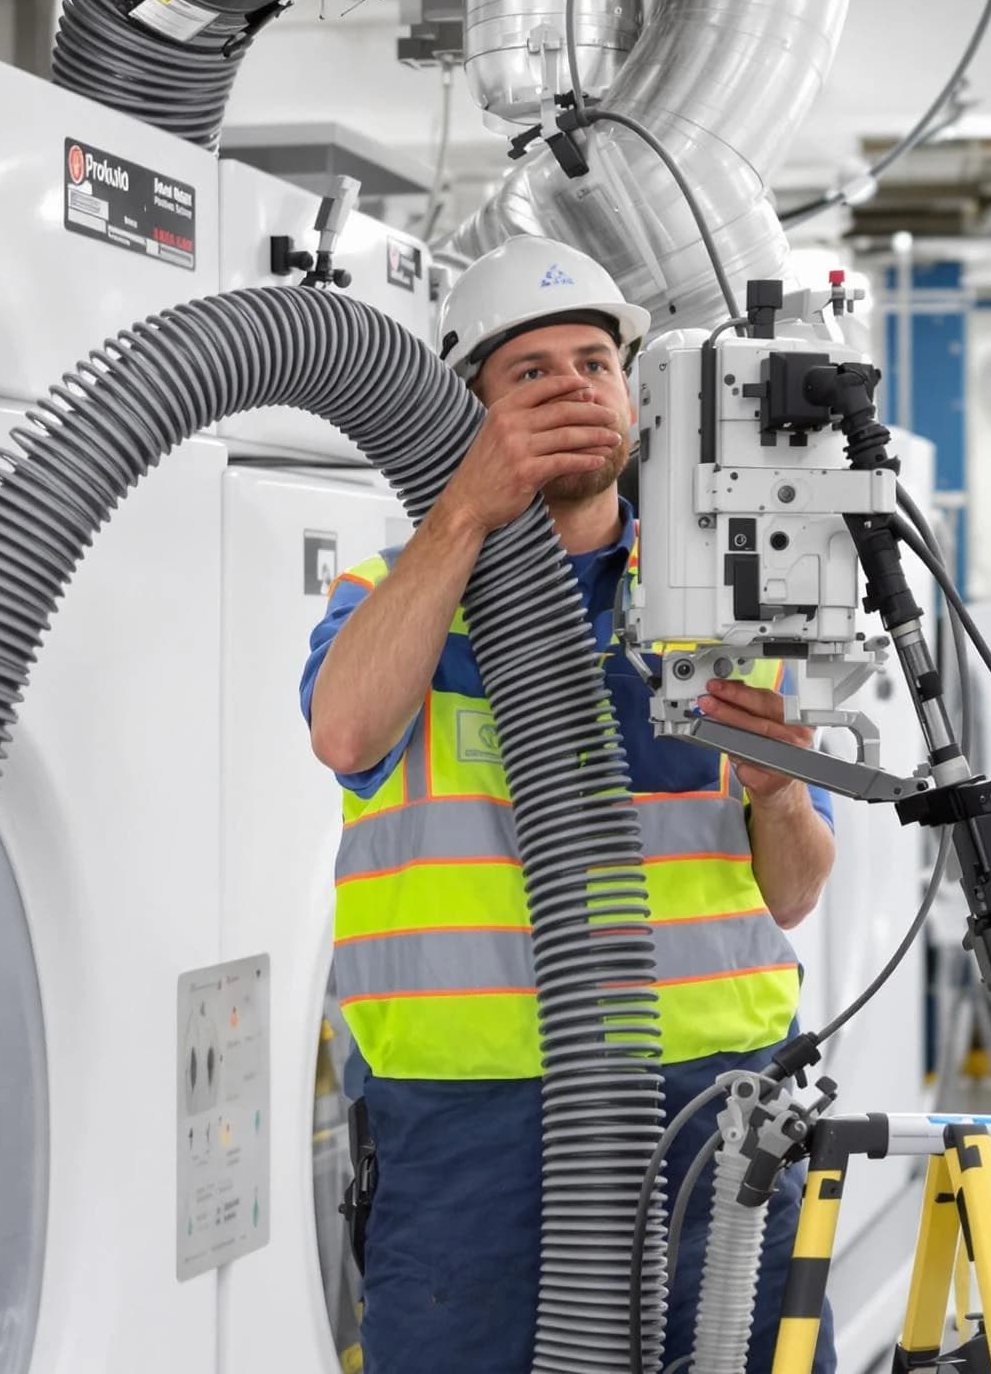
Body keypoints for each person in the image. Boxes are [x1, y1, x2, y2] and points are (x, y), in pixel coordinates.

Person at [301, 236, 841, 1374]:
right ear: (470, 414)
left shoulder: (719, 602)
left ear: (633, 397)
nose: (573, 387)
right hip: (474, 1117)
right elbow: (345, 733)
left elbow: (788, 896)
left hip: (717, 1104)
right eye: (529, 372)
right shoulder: (392, 596)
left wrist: (780, 791)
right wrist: (463, 516)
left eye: (594, 361)